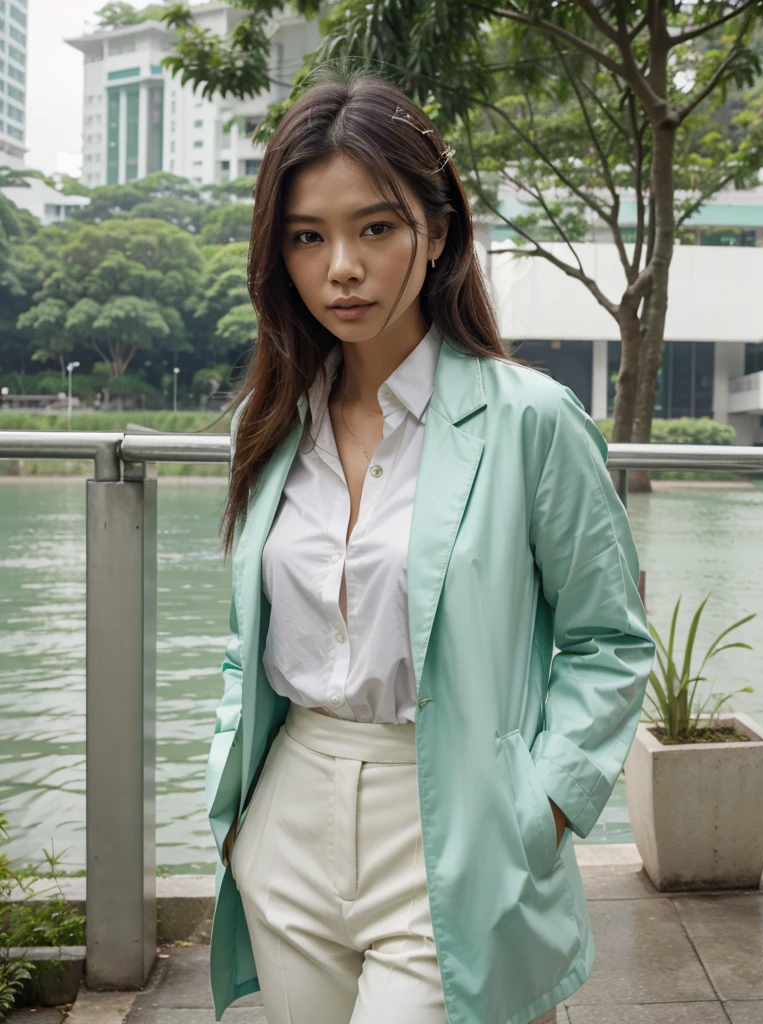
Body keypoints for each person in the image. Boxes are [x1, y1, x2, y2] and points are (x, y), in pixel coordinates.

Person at [204, 66, 655, 1024]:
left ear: (437, 232)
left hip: (455, 818)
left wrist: (545, 807)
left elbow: (610, 641)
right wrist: (235, 798)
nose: (343, 268)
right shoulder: (269, 424)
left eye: (375, 227)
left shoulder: (528, 420)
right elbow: (252, 638)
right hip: (290, 815)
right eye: (307, 237)